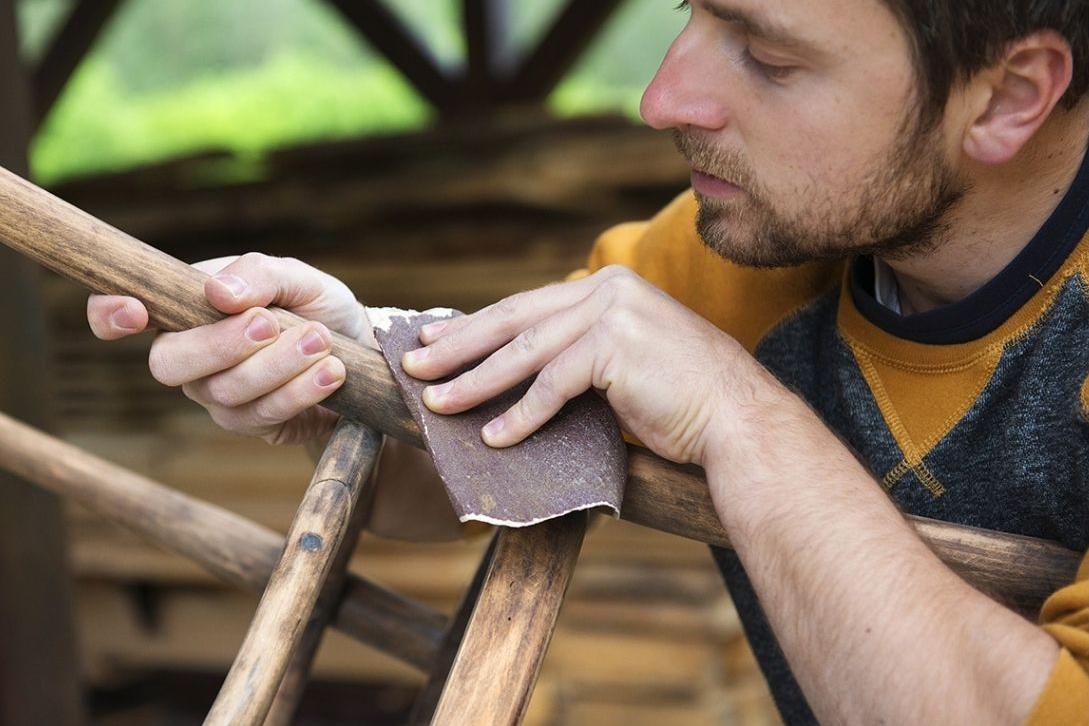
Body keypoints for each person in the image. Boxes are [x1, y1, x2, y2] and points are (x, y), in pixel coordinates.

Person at [87, 0, 1089, 722]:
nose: (663, 99)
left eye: (769, 58)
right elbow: (466, 469)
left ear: (1008, 97)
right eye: (692, 13)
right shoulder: (726, 258)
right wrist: (351, 372)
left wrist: (740, 415)